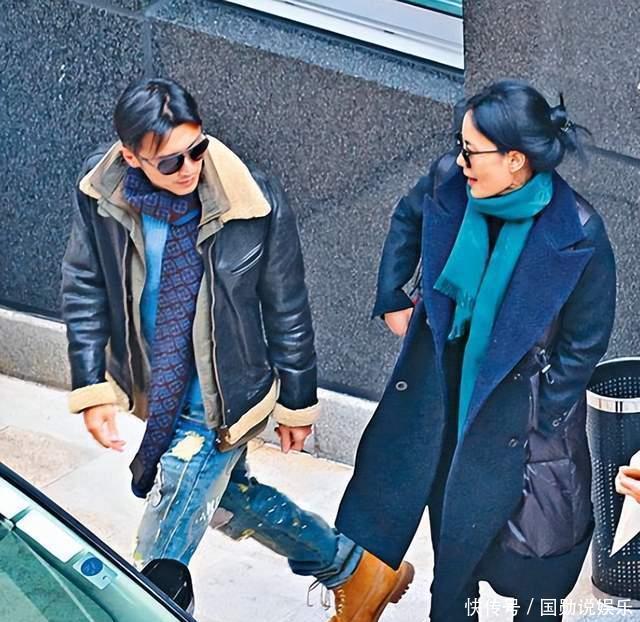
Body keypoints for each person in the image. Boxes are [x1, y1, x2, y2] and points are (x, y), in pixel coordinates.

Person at [61, 76, 413, 621]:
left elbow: (287, 307)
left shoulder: (252, 200)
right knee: (227, 497)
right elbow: (84, 285)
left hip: (224, 397)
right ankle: (355, 571)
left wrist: (297, 400)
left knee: (158, 559)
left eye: (196, 149)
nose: (189, 168)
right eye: (169, 161)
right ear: (131, 157)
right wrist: (92, 385)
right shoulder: (102, 194)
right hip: (157, 388)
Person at [336, 80, 617, 621]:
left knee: (534, 561)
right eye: (460, 146)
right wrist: (393, 295)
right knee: (452, 530)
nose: (460, 160)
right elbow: (407, 218)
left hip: (521, 414)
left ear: (515, 160)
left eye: (472, 151)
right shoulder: (449, 181)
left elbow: (587, 338)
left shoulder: (579, 231)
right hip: (451, 392)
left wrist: (544, 407)